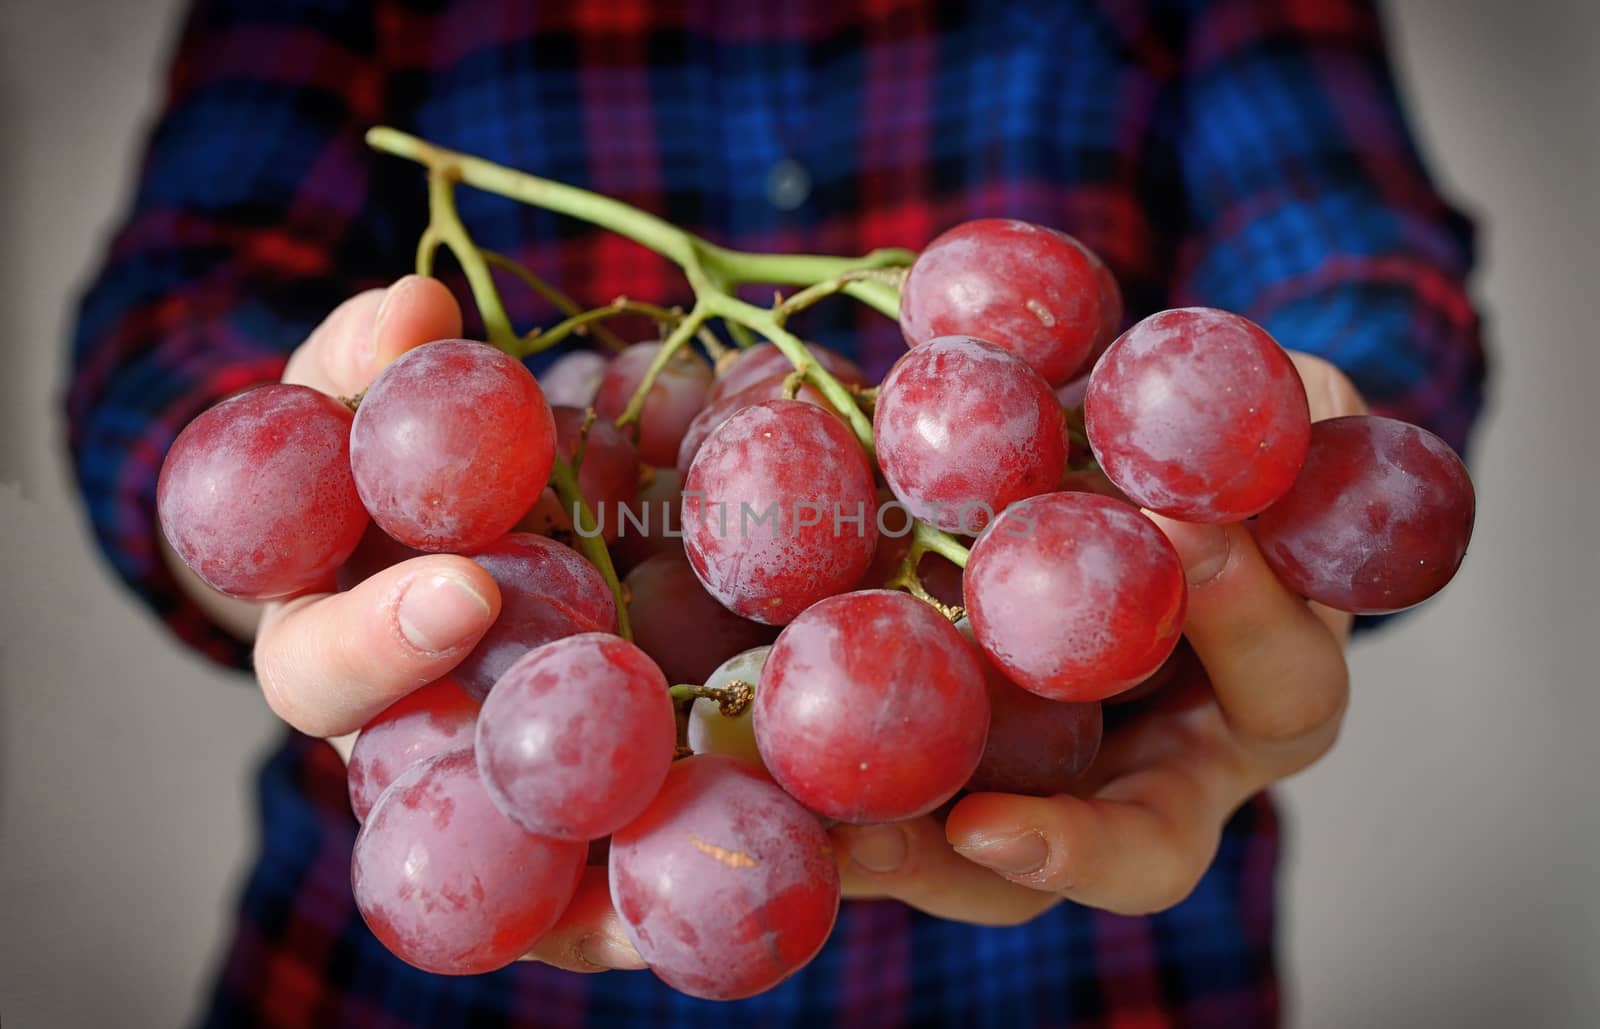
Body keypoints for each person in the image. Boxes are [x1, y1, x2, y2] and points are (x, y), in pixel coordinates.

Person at [66, 0, 1486, 1025]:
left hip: (1086, 931)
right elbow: (165, 336)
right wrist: (299, 527)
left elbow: (1362, 266)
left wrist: (1309, 426)